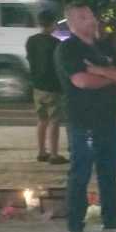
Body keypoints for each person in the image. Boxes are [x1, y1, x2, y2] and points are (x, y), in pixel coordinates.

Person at [55, 3, 116, 232]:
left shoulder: (105, 46)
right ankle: (75, 225)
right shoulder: (68, 49)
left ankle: (111, 218)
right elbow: (82, 81)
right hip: (83, 121)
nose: (91, 20)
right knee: (80, 173)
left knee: (109, 171)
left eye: (91, 15)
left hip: (109, 120)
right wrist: (112, 76)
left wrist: (100, 71)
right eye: (83, 17)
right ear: (71, 23)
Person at [26, 9, 68, 165]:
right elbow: (60, 66)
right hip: (53, 86)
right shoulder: (56, 43)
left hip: (37, 85)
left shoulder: (31, 41)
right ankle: (54, 154)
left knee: (42, 119)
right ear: (53, 24)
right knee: (54, 121)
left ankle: (41, 151)